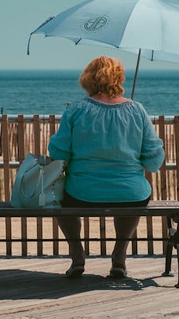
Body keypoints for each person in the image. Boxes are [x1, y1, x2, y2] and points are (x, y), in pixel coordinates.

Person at [48, 56, 165, 279]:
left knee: (60, 199)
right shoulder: (137, 110)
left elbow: (58, 153)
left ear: (88, 79)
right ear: (118, 78)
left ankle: (76, 252)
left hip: (81, 192)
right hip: (131, 192)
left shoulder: (76, 110)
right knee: (131, 197)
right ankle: (119, 256)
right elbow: (154, 161)